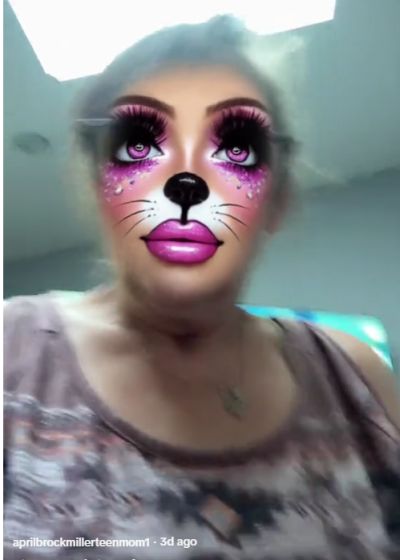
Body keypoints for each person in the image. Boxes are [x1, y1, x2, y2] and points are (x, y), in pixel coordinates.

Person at [4, 15, 400, 560]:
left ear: (278, 199)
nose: (185, 183)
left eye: (238, 149)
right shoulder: (11, 354)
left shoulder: (355, 380)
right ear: (97, 185)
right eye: (137, 145)